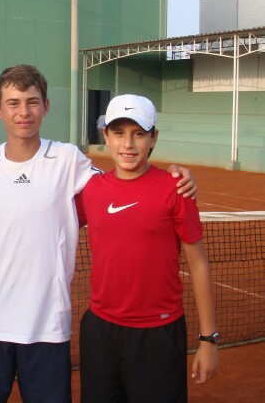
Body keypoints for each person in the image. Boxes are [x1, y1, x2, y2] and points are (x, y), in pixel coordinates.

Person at [0, 66, 197, 403]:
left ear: (46, 106)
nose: (23, 112)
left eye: (32, 102)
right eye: (13, 103)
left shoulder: (69, 160)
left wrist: (176, 176)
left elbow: (123, 183)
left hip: (48, 326)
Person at [77, 94, 219, 402]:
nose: (128, 144)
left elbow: (198, 264)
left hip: (158, 334)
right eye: (119, 133)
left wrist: (209, 339)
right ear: (105, 137)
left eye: (138, 134)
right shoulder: (91, 189)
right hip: (100, 332)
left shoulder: (177, 189)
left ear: (153, 138)